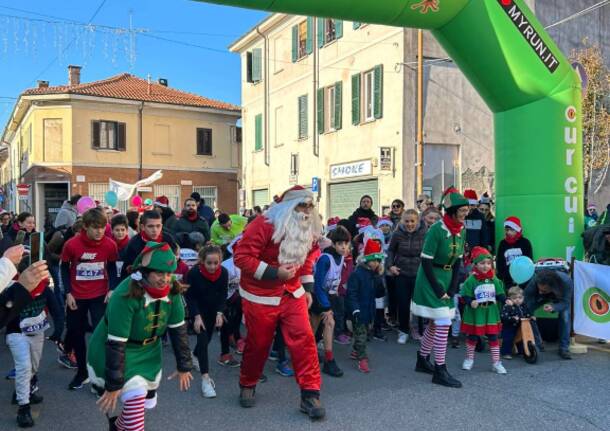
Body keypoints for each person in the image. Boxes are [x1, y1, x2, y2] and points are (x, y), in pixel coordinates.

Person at [233, 185, 325, 419]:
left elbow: (305, 259)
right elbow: (242, 257)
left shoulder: (309, 226)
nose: (306, 210)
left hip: (291, 292)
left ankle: (310, 394)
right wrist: (275, 273)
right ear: (287, 206)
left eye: (309, 205)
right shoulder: (263, 224)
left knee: (304, 339)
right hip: (260, 294)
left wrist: (307, 288)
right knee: (259, 342)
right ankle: (248, 382)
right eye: (301, 205)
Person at [88, 242, 193, 431]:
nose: (165, 279)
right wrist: (113, 385)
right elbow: (116, 343)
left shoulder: (173, 289)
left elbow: (178, 330)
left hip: (149, 352)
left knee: (136, 405)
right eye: (159, 273)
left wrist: (184, 365)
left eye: (168, 273)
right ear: (144, 271)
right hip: (115, 350)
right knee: (136, 404)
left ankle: (117, 427)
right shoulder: (124, 294)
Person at [412, 187, 469, 388]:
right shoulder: (436, 230)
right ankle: (440, 369)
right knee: (444, 321)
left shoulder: (462, 230)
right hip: (429, 279)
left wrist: (453, 287)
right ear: (452, 211)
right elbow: (426, 262)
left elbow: (458, 260)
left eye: (466, 211)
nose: (465, 214)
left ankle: (422, 358)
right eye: (461, 211)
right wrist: (437, 288)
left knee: (436, 323)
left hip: (447, 276)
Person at [61, 208, 119, 390]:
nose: (99, 231)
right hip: (76, 296)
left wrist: (112, 289)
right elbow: (63, 268)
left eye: (102, 227)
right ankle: (82, 373)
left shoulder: (110, 245)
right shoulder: (71, 244)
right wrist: (68, 292)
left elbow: (111, 268)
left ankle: (98, 374)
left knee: (99, 335)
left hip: (99, 296)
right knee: (76, 332)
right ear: (85, 227)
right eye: (95, 227)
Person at [5, 260, 63, 428]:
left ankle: (23, 389)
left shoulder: (45, 289)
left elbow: (57, 311)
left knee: (33, 366)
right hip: (17, 333)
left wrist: (58, 332)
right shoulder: (12, 290)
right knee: (24, 366)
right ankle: (24, 408)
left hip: (37, 332)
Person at [185, 245, 228, 398]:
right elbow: (189, 296)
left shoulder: (223, 273)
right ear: (202, 261)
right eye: (209, 263)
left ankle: (194, 355)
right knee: (203, 340)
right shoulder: (194, 273)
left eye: (216, 263)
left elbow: (223, 294)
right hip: (198, 310)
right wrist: (196, 316)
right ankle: (206, 380)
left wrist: (219, 312)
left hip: (213, 311)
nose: (212, 266)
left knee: (208, 339)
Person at [459, 247, 507, 374]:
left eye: (488, 263)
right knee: (473, 336)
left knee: (493, 336)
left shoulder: (494, 279)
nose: (485, 266)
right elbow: (465, 294)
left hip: (490, 311)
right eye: (482, 263)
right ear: (475, 264)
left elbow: (499, 293)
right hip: (476, 312)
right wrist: (470, 301)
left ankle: (496, 363)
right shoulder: (472, 279)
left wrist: (505, 299)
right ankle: (469, 359)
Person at [311, 226, 350, 378]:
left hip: (330, 296)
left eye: (346, 244)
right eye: (340, 244)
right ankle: (326, 360)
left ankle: (318, 356)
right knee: (318, 326)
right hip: (318, 296)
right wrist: (326, 306)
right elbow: (318, 283)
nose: (344, 247)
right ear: (333, 244)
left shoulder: (341, 258)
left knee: (322, 327)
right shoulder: (325, 259)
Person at [387, 209, 426, 344]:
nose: (409, 224)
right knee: (403, 304)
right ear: (403, 221)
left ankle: (417, 329)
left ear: (417, 221)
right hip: (401, 272)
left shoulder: (424, 233)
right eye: (407, 221)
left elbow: (429, 252)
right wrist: (390, 266)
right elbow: (391, 250)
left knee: (418, 304)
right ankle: (403, 330)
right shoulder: (397, 234)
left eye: (412, 221)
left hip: (419, 273)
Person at [347, 239, 384, 373]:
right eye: (373, 260)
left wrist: (379, 278)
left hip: (369, 310)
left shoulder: (374, 275)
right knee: (361, 335)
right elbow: (351, 294)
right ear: (366, 260)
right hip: (359, 310)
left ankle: (355, 351)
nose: (376, 263)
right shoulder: (357, 274)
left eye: (378, 261)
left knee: (365, 332)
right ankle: (362, 359)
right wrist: (355, 309)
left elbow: (380, 293)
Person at [524, 269, 573, 359]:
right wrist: (529, 312)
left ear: (553, 287)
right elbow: (527, 296)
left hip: (559, 297)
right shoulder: (536, 279)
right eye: (539, 289)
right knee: (527, 311)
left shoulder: (566, 282)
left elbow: (565, 302)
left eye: (544, 290)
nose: (540, 292)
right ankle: (536, 343)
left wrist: (554, 307)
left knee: (565, 316)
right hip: (542, 297)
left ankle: (564, 348)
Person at [0, 261, 50, 330]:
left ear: (18, 273)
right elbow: (55, 309)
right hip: (37, 327)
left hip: (16, 330)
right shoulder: (45, 287)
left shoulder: (9, 287)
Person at [500, 286, 540, 359]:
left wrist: (531, 316)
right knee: (508, 338)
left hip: (521, 325)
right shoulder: (507, 306)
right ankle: (506, 353)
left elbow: (527, 313)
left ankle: (522, 351)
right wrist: (512, 318)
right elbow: (503, 316)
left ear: (523, 298)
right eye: (514, 298)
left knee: (522, 338)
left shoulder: (523, 305)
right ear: (509, 299)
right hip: (509, 326)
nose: (517, 300)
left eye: (520, 297)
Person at [495, 217, 533, 287]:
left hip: (524, 278)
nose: (509, 232)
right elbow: (500, 262)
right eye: (507, 230)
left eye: (512, 230)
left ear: (517, 230)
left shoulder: (525, 242)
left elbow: (529, 261)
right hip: (508, 279)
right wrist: (501, 277)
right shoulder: (503, 243)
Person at [111, 215, 130, 282]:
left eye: (122, 230)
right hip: (111, 281)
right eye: (117, 230)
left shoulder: (131, 246)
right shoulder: (109, 245)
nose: (120, 233)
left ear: (127, 230)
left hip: (126, 281)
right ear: (112, 231)